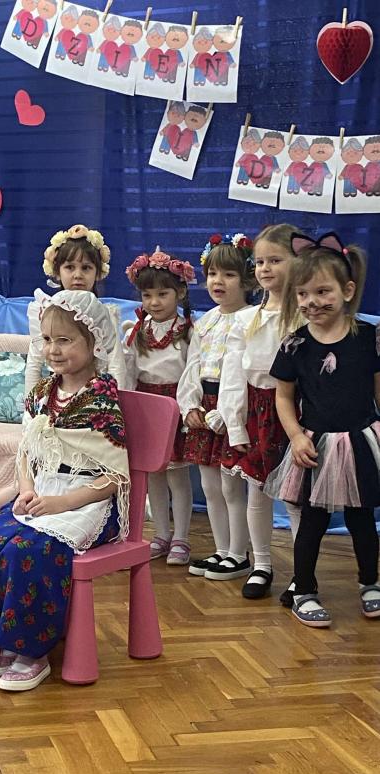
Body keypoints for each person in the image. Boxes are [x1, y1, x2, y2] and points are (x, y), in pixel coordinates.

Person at [0, 290, 129, 691]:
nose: (53, 350)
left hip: (86, 501)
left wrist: (62, 502)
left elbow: (115, 478)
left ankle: (32, 651)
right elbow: (27, 451)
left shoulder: (101, 398)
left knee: (27, 551)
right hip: (42, 491)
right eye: (48, 339)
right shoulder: (42, 392)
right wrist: (26, 488)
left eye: (65, 340)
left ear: (93, 341)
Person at [264, 232, 380, 627]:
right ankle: (304, 590)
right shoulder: (295, 345)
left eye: (322, 291)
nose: (312, 301)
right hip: (315, 445)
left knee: (362, 518)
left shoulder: (368, 339)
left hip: (362, 441)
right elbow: (283, 398)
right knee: (312, 522)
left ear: (347, 290)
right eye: (303, 294)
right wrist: (296, 436)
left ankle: (370, 583)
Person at [218, 224, 303, 599]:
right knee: (257, 491)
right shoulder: (244, 319)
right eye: (260, 262)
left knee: (296, 497)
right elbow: (233, 376)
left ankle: (303, 572)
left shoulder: (304, 314)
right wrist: (236, 426)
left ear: (297, 262)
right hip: (258, 411)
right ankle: (262, 565)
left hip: (296, 411)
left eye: (276, 260)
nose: (265, 268)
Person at [177, 233, 255, 581]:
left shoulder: (252, 319)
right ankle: (222, 550)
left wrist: (228, 413)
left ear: (246, 279)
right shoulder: (205, 321)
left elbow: (247, 372)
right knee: (209, 486)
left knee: (231, 485)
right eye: (212, 274)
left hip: (233, 408)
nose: (217, 281)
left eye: (228, 274)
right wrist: (190, 405)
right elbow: (193, 365)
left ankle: (239, 553)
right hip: (204, 407)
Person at [123, 247, 195, 565]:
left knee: (178, 477)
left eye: (162, 294)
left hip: (175, 407)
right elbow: (128, 371)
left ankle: (182, 537)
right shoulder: (137, 331)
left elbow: (192, 372)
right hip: (145, 408)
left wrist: (188, 408)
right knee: (154, 475)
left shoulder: (189, 331)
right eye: (147, 295)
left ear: (180, 292)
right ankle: (161, 534)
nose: (154, 302)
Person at [25, 224, 127, 392]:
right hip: (55, 395)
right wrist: (30, 405)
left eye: (86, 268)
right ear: (57, 271)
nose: (78, 275)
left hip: (95, 396)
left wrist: (116, 401)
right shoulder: (46, 311)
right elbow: (34, 364)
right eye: (69, 267)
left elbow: (116, 365)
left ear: (98, 272)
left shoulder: (103, 315)